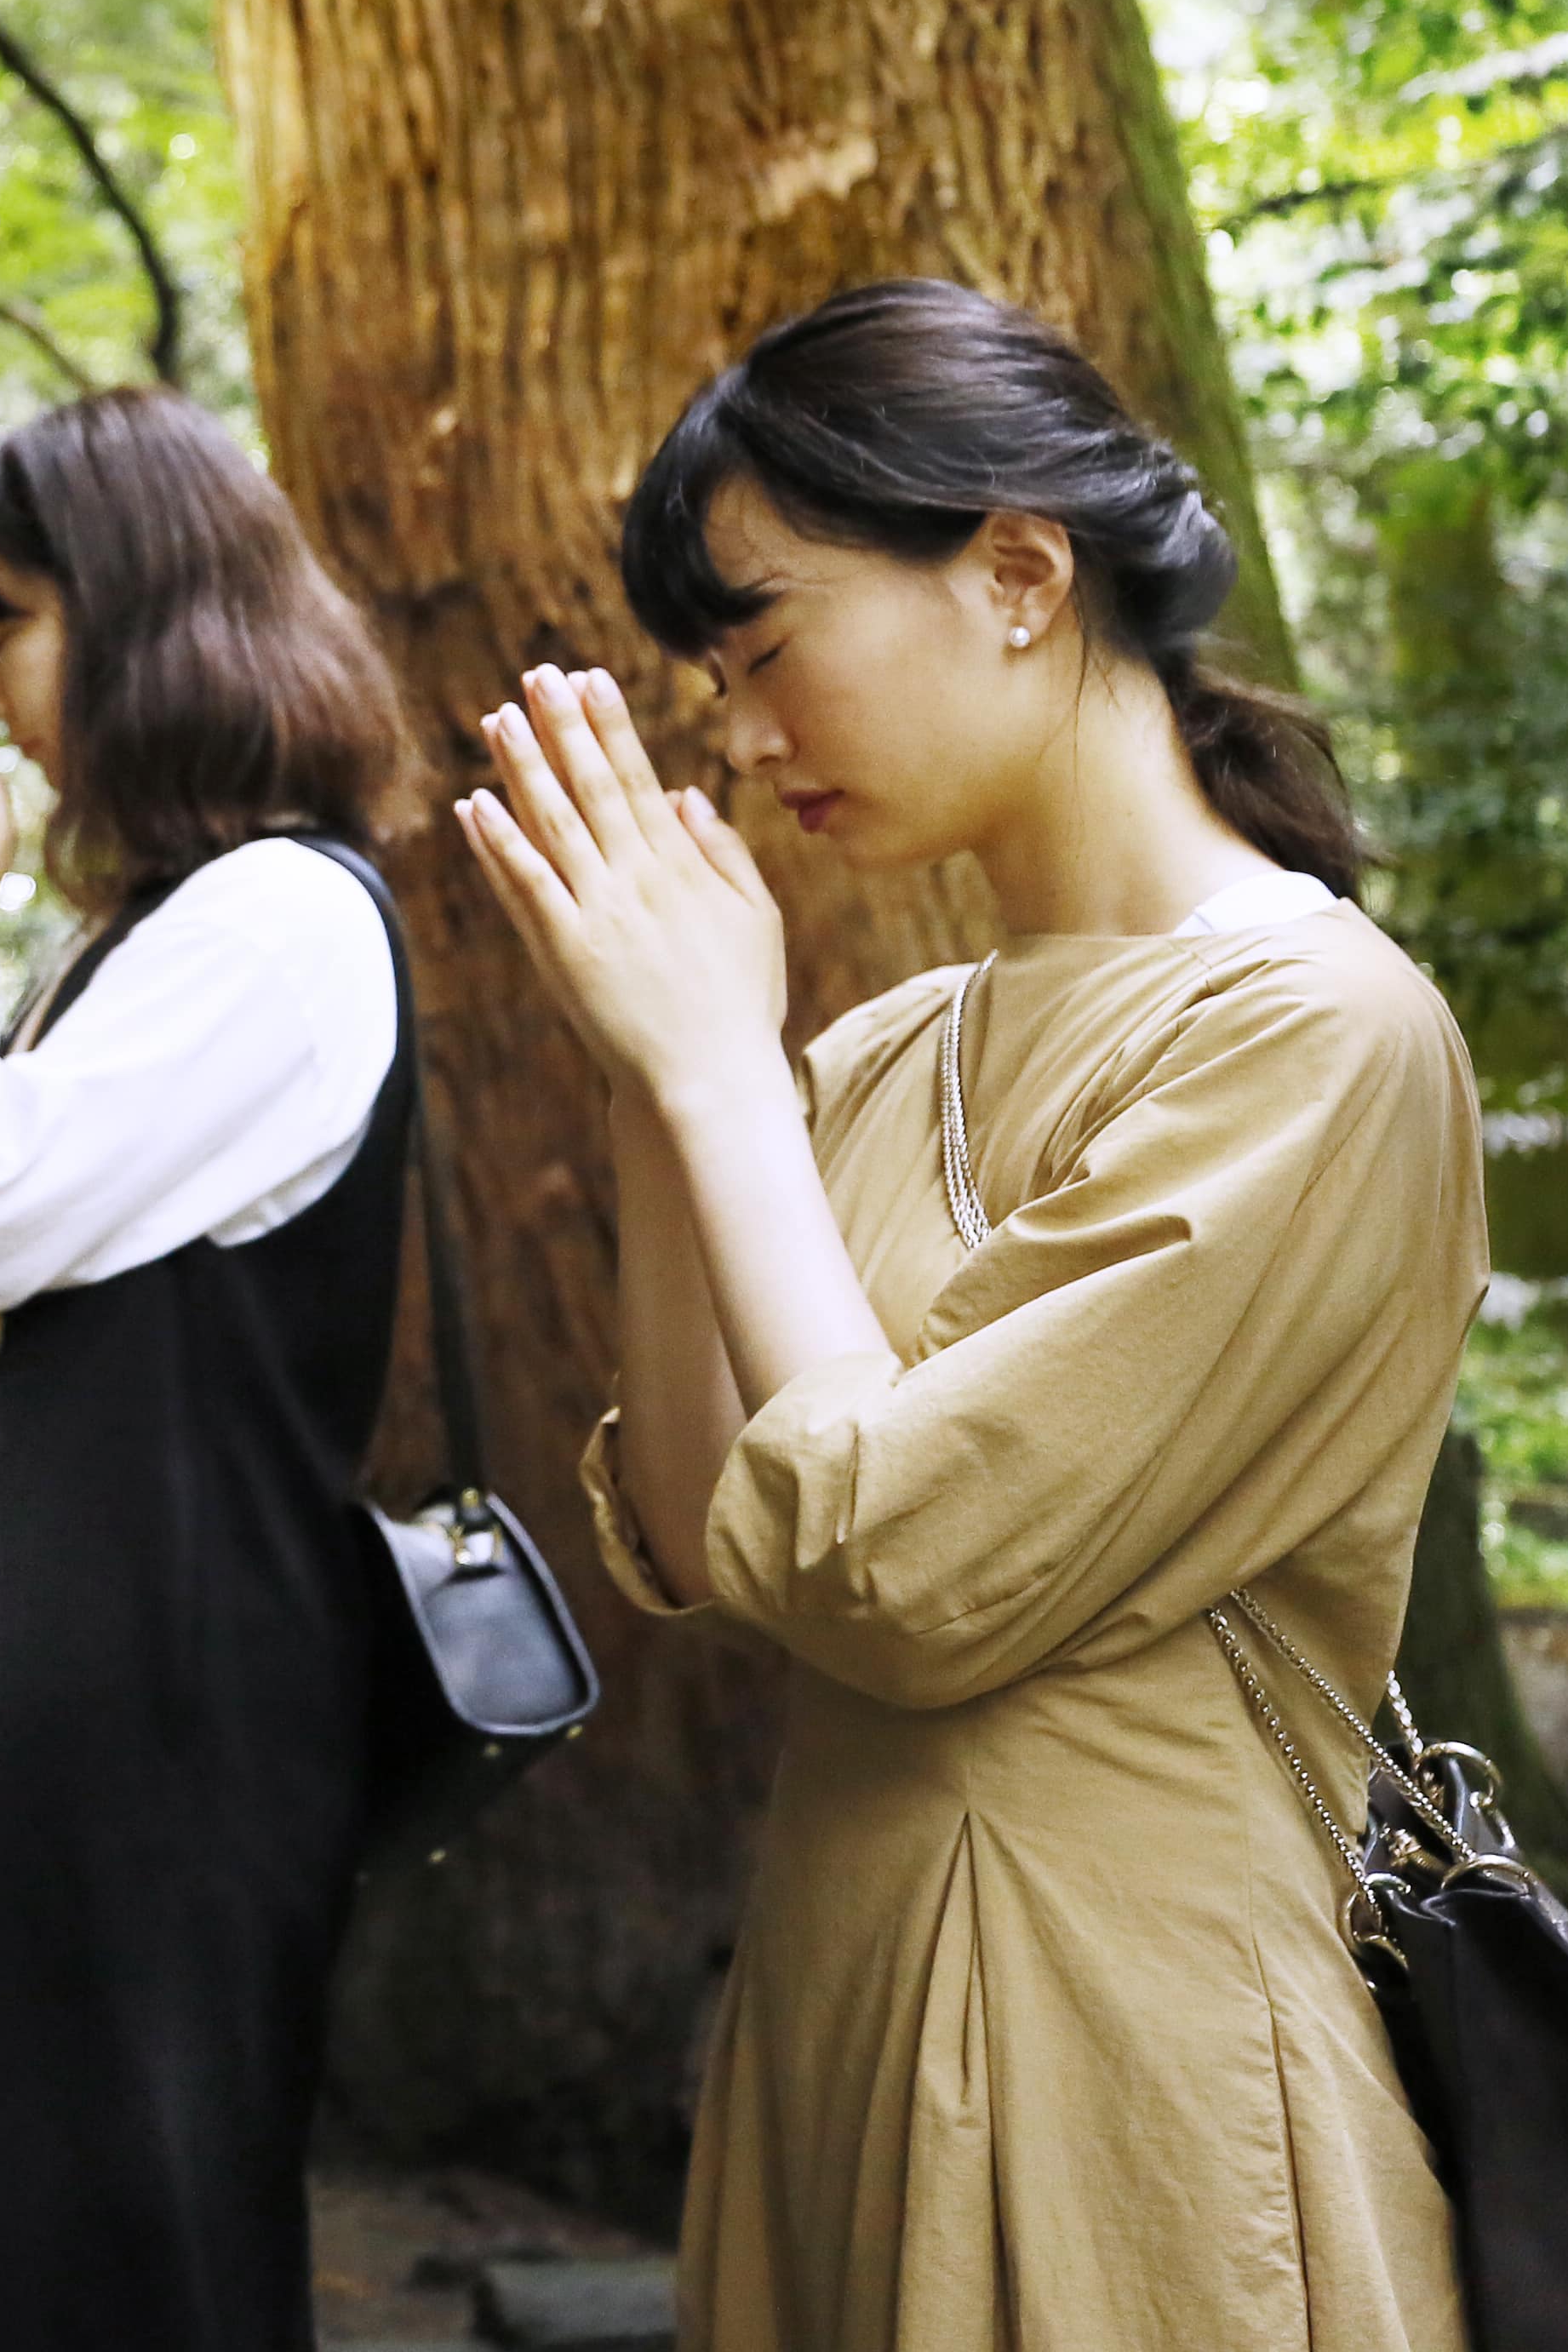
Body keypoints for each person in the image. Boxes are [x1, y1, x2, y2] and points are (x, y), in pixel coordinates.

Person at [454, 279, 1475, 2351]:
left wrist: (732, 1079)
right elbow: (691, 1519)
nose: (740, 732)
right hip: (842, 1982)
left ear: (1018, 574)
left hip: (1131, 2043)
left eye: (764, 644)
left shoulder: (1319, 1032)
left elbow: (900, 1568)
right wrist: (668, 1088)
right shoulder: (903, 1042)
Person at [0, 384, 422, 2352]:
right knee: (52, 2197)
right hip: (104, 1685)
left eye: (4, 624)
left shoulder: (276, 920)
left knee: (129, 2215)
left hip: (177, 1700)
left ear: (143, 614)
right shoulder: (181, 918)